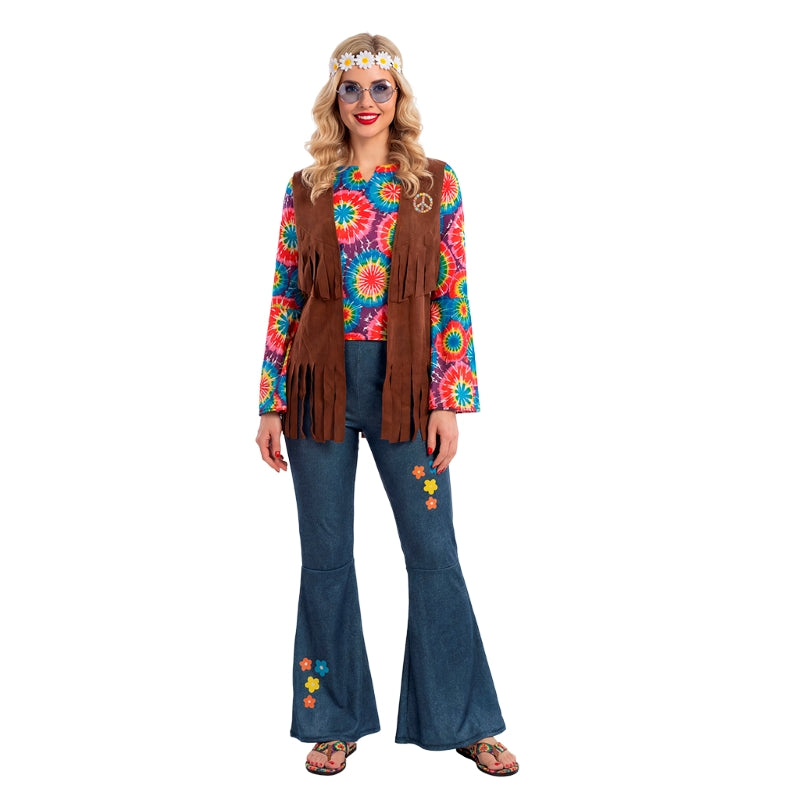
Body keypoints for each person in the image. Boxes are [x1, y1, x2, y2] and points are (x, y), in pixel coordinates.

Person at [255, 32, 518, 778]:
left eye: (381, 87)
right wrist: (270, 401)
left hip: (407, 389)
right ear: (334, 98)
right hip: (316, 389)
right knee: (326, 559)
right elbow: (286, 293)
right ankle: (332, 721)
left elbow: (451, 291)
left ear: (398, 98)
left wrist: (448, 400)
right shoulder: (306, 187)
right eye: (353, 88)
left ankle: (464, 720)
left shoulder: (434, 183)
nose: (366, 101)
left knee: (434, 553)